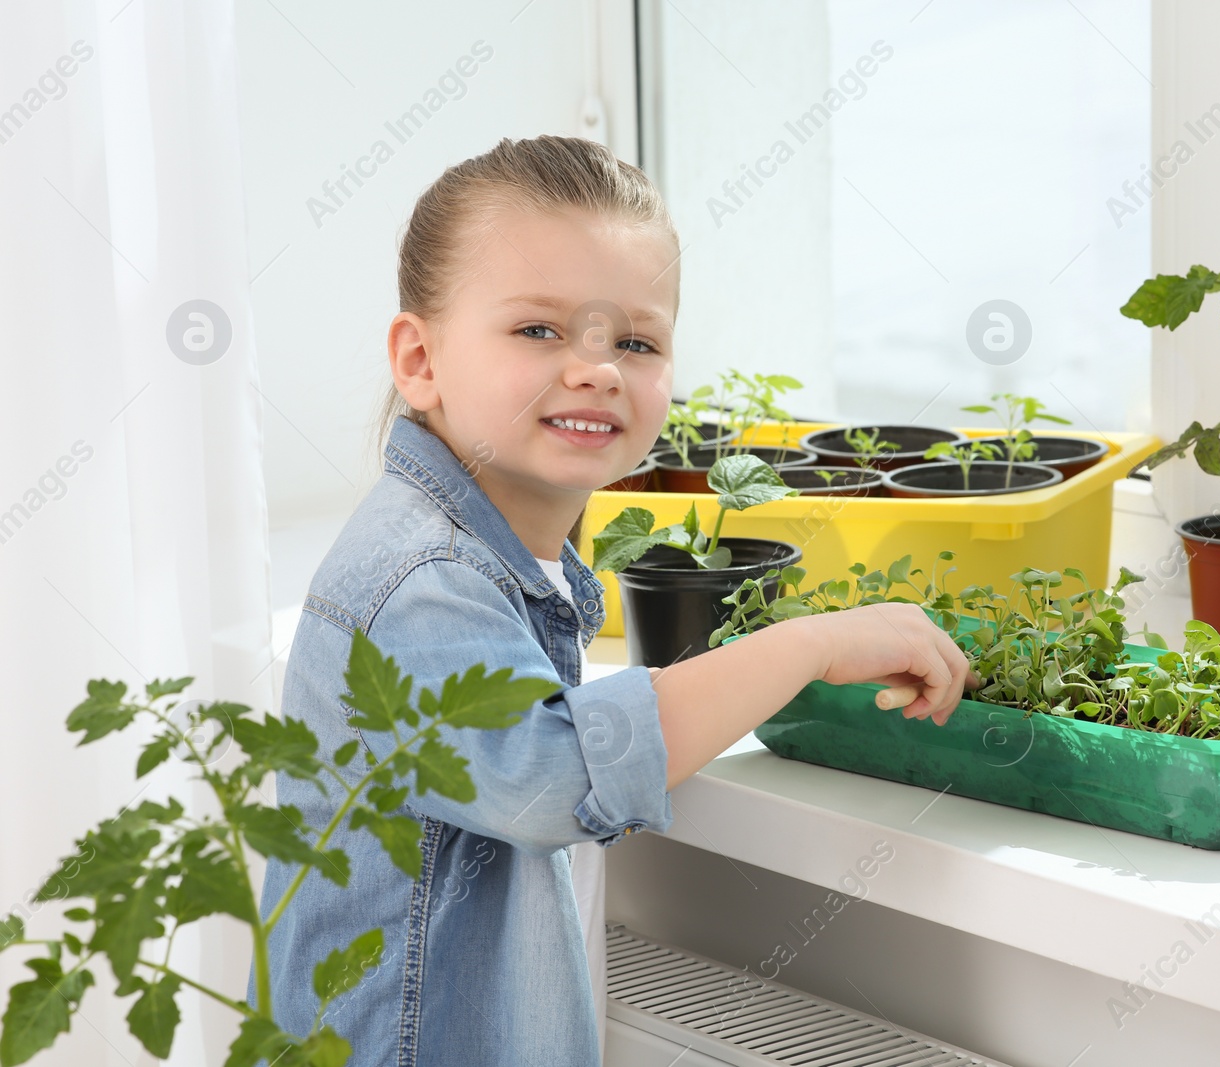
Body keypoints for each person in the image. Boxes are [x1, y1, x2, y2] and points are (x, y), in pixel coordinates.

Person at [246, 135, 971, 1067]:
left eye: (636, 340)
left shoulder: (508, 560)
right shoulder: (419, 581)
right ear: (419, 359)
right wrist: (810, 645)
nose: (597, 369)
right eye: (539, 330)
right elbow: (558, 774)